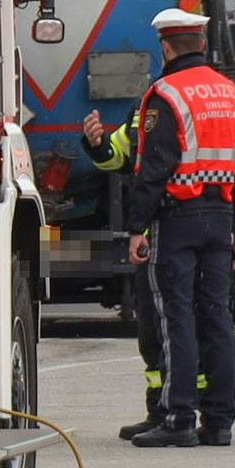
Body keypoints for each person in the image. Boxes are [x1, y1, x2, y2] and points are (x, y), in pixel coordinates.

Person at [116, 7, 235, 449]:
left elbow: (154, 166)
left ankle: (177, 417)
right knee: (216, 315)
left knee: (173, 314)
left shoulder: (166, 94)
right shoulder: (233, 93)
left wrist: (137, 227)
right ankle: (219, 420)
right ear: (200, 43)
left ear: (165, 46)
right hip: (220, 220)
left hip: (176, 219)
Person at [78, 103, 173, 440]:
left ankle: (182, 413)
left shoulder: (174, 101)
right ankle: (160, 410)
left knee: (178, 328)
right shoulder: (147, 103)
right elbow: (119, 156)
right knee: (150, 329)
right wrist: (97, 142)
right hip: (155, 233)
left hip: (177, 229)